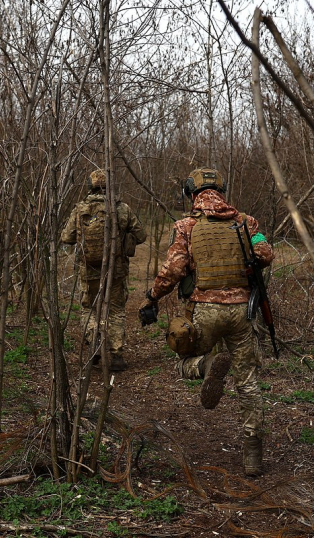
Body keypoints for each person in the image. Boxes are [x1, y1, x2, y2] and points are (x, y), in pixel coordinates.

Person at [140, 168, 274, 476]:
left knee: (182, 357)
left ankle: (205, 365)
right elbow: (265, 253)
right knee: (248, 383)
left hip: (205, 311)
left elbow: (173, 270)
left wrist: (152, 297)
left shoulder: (186, 226)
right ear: (222, 192)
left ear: (190, 194)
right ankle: (252, 457)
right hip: (244, 313)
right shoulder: (246, 222)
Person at [61, 168, 146, 372]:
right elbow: (141, 235)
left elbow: (66, 237)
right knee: (116, 310)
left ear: (91, 187)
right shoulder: (121, 208)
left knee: (89, 308)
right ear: (109, 187)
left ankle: (94, 345)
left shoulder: (80, 209)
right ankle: (116, 355)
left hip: (88, 269)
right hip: (115, 270)